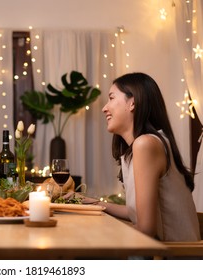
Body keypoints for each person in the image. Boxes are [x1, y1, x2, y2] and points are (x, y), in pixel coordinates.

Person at [85, 72, 200, 242]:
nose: (104, 108)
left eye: (111, 98)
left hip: (174, 257)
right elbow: (135, 212)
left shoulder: (145, 144)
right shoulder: (139, 147)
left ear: (132, 102)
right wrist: (89, 202)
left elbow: (146, 228)